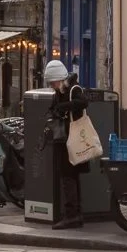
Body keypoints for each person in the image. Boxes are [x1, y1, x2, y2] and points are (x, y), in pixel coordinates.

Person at [42, 60, 90, 230]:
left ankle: (71, 215)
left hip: (71, 138)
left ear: (60, 79)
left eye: (53, 82)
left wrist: (63, 107)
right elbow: (54, 108)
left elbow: (83, 103)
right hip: (64, 138)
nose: (52, 86)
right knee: (70, 176)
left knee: (68, 176)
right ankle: (75, 213)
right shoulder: (60, 91)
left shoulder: (74, 89)